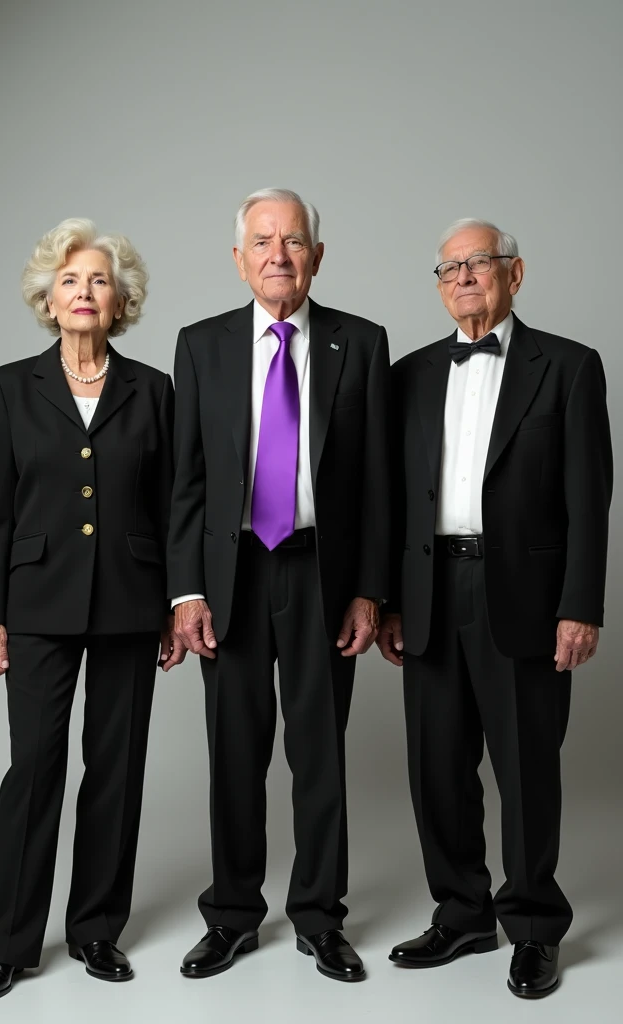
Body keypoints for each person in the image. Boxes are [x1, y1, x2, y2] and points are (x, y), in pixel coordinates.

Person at [377, 218, 613, 998]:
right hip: (430, 592)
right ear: (439, 285)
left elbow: (590, 500)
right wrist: (388, 600)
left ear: (515, 272)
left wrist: (580, 607)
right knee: (436, 767)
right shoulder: (408, 375)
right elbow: (391, 501)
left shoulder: (571, 368)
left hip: (527, 598)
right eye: (449, 267)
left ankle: (535, 927)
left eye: (479, 263)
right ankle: (463, 911)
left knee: (525, 767)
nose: (465, 277)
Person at [168, 188, 391, 982]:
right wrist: (184, 591)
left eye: (293, 241)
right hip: (230, 577)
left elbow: (377, 482)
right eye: (262, 241)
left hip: (321, 573)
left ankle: (319, 918)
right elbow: (185, 483)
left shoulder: (359, 343)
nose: (278, 255)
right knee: (235, 754)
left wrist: (372, 589)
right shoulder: (201, 346)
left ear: (317, 257)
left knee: (320, 754)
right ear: (238, 259)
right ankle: (231, 916)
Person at [0, 218, 184, 1003]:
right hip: (37, 601)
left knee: (116, 771)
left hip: (131, 598)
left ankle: (96, 930)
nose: (83, 292)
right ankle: (9, 943)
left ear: (119, 299)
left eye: (97, 280)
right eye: (69, 280)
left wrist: (174, 603)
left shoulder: (153, 389)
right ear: (48, 299)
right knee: (35, 770)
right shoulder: (9, 385)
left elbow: (170, 507)